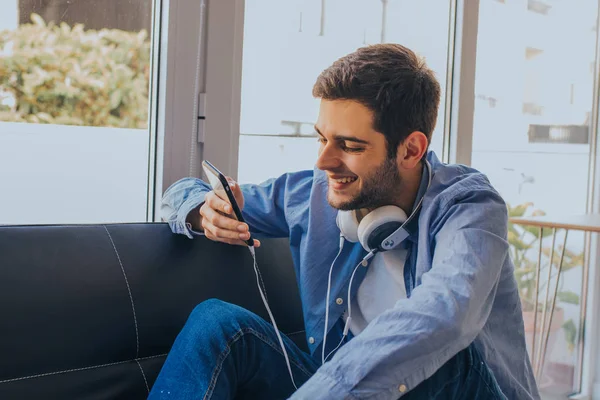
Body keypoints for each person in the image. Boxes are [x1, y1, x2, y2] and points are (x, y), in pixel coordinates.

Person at [149, 44, 539, 399]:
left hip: (448, 387)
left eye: (350, 146)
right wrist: (202, 209)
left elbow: (445, 314)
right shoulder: (312, 195)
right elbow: (181, 192)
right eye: (322, 139)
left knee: (439, 355)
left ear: (411, 149)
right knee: (218, 322)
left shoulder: (470, 206)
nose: (324, 161)